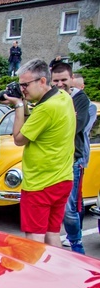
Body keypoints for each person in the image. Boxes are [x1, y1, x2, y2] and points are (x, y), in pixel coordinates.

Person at [3, 58, 75, 246]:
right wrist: (25, 103)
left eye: (25, 85)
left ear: (42, 81)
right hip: (62, 177)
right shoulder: (63, 97)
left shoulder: (46, 109)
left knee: (34, 239)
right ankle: (55, 273)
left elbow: (19, 139)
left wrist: (19, 105)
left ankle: (37, 274)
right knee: (52, 233)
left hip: (40, 183)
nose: (22, 90)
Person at [51, 62, 91, 254]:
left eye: (64, 80)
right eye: (56, 80)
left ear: (71, 78)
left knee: (69, 209)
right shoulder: (49, 98)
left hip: (72, 159)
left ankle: (77, 245)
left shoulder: (80, 99)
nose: (60, 84)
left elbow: (76, 126)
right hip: (53, 159)